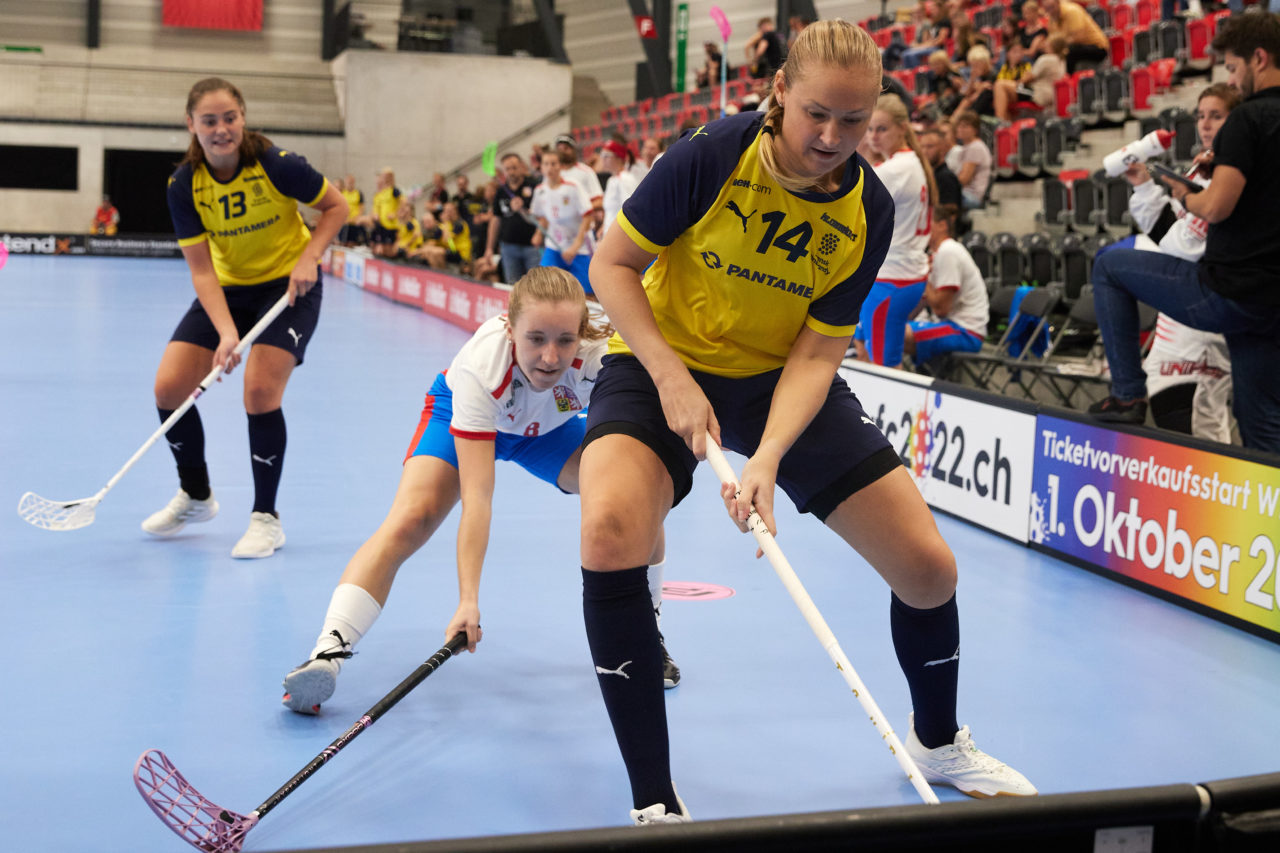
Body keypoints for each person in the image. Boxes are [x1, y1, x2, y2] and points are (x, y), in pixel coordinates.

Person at [580, 19, 1036, 826]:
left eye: (854, 121)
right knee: (611, 528)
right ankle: (655, 799)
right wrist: (671, 378)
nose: (832, 137)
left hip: (780, 377)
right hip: (661, 361)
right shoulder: (710, 156)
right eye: (817, 113)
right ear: (780, 92)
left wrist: (769, 459)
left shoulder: (867, 209)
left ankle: (937, 741)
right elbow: (611, 266)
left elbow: (820, 352)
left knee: (928, 567)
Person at [280, 268, 683, 714]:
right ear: (510, 330)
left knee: (635, 495)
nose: (551, 357)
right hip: (468, 414)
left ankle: (648, 633)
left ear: (581, 333)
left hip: (547, 429)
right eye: (535, 339)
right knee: (412, 518)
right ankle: (327, 654)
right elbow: (478, 501)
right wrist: (468, 600)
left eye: (565, 340)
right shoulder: (481, 366)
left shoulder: (601, 353)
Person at [146, 77, 347, 558]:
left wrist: (310, 255)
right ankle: (196, 495)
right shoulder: (183, 186)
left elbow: (336, 207)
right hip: (231, 289)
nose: (221, 130)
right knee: (169, 389)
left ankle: (265, 518)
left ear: (243, 117)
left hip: (289, 287)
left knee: (259, 391)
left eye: (230, 118)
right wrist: (226, 333)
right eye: (209, 121)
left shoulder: (277, 166)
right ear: (191, 125)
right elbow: (201, 270)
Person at [1087, 14, 1280, 454]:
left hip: (1230, 292)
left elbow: (1215, 207)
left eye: (1233, 69)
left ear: (1259, 59)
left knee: (1109, 265)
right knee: (1262, 426)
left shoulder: (1248, 120)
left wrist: (1183, 192)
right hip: (1271, 303)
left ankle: (1128, 393)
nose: (1233, 79)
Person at [851, 94, 937, 368]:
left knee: (886, 368)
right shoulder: (906, 163)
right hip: (898, 274)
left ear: (902, 128)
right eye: (870, 129)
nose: (874, 136)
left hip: (892, 278)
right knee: (863, 346)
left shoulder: (896, 170)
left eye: (882, 129)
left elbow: (840, 194)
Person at [905, 205, 989, 367]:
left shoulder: (948, 251)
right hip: (952, 326)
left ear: (942, 225)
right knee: (881, 329)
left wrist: (925, 277)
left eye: (925, 222)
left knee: (889, 334)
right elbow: (918, 305)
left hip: (965, 332)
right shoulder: (938, 254)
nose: (919, 228)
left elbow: (941, 309)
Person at [531, 150, 595, 295]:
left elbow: (588, 215)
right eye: (546, 164)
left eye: (553, 164)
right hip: (554, 246)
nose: (550, 168)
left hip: (580, 247)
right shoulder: (540, 191)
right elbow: (543, 217)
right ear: (541, 167)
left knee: (586, 293)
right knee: (543, 287)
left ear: (560, 166)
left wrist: (576, 245)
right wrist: (538, 234)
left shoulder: (573, 187)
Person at [483, 152, 542, 284]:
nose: (511, 172)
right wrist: (489, 248)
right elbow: (495, 220)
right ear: (504, 171)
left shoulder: (534, 187)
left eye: (514, 168)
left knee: (536, 286)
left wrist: (523, 209)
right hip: (508, 247)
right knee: (513, 285)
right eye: (508, 169)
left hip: (531, 247)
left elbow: (541, 218)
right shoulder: (501, 191)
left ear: (521, 167)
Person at [994, 34, 1068, 121]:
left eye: (1047, 42)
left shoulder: (1046, 59)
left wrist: (1022, 79)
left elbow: (1026, 79)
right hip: (1048, 94)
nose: (1044, 44)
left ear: (1052, 45)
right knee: (1004, 94)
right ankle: (1006, 124)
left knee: (1000, 85)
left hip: (1038, 95)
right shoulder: (1061, 60)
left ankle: (1000, 123)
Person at [1041, 0, 1108, 74]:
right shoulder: (1052, 19)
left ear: (1058, 3)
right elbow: (1052, 40)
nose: (1050, 11)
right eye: (1047, 9)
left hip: (1097, 47)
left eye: (1052, 7)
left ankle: (1067, 79)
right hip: (1075, 46)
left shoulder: (1072, 11)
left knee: (1069, 51)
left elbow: (1078, 38)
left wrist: (1059, 46)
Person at [952, 111, 992, 208]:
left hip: (972, 196)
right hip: (966, 193)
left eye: (965, 126)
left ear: (975, 130)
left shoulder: (975, 147)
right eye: (959, 126)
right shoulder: (967, 147)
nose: (961, 129)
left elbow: (964, 179)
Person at [600, 139, 639, 237]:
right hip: (609, 235)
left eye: (607, 156)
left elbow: (630, 213)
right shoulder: (611, 180)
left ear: (619, 158)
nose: (603, 159)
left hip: (619, 237)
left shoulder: (625, 179)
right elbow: (611, 212)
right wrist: (603, 227)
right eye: (602, 155)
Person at [920, 128, 964, 213]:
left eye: (930, 146)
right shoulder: (928, 175)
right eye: (922, 146)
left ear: (942, 149)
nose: (924, 151)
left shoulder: (946, 177)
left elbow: (949, 215)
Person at [368, 167, 401, 258]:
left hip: (390, 226)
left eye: (387, 176)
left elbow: (403, 204)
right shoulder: (381, 193)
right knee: (376, 247)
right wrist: (375, 215)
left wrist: (395, 214)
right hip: (381, 225)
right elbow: (376, 207)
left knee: (388, 250)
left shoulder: (395, 191)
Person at [337, 175, 367, 246]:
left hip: (354, 223)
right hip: (344, 223)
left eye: (351, 182)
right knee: (342, 243)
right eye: (348, 183)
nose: (349, 184)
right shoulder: (342, 193)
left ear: (353, 183)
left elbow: (361, 209)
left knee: (352, 243)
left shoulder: (358, 193)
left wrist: (357, 219)